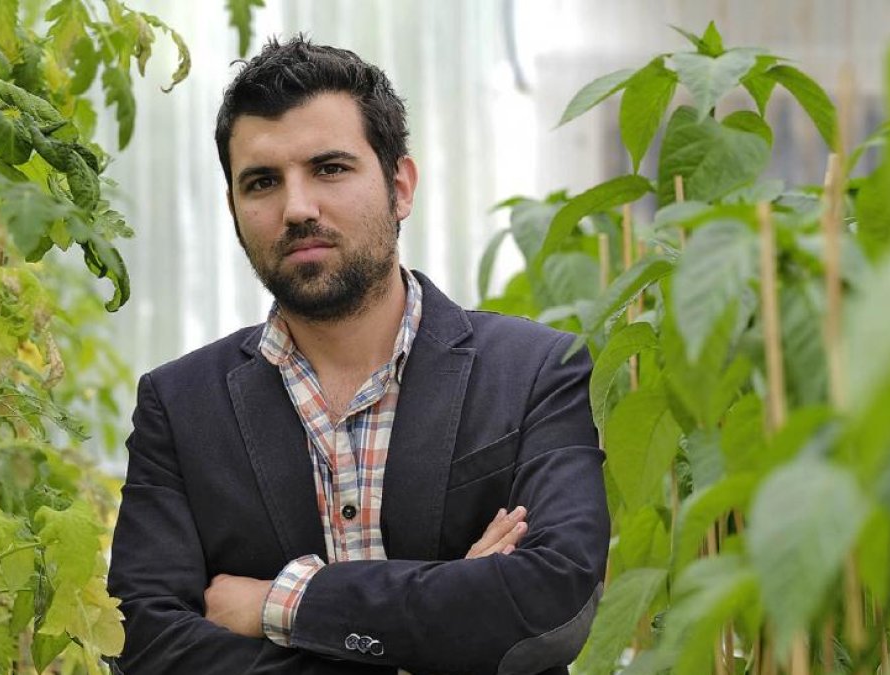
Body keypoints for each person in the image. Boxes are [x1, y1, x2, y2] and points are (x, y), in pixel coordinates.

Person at [107, 35, 609, 675]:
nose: (297, 208)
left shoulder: (534, 371)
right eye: (262, 182)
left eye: (330, 168)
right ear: (233, 209)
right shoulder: (179, 407)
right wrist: (442, 622)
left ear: (400, 186)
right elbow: (147, 643)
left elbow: (551, 604)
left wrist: (281, 605)